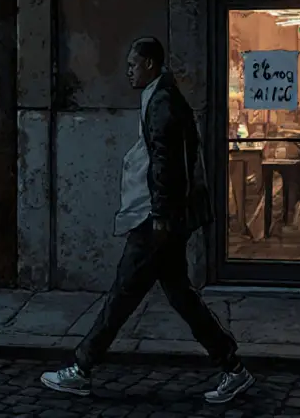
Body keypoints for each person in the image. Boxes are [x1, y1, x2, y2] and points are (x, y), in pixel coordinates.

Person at [40, 36, 254, 405]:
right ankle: (233, 368)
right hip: (165, 217)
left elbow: (165, 164)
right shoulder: (161, 97)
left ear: (151, 65)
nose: (128, 71)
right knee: (180, 296)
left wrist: (159, 215)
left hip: (157, 221)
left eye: (133, 65)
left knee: (122, 295)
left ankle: (81, 368)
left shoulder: (161, 103)